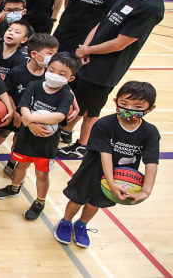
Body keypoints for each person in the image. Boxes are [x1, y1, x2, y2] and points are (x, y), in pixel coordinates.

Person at [60, 0, 169, 159]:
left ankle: (83, 146)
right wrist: (85, 47)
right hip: (88, 58)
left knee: (91, 110)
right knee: (79, 101)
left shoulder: (151, 7)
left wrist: (89, 50)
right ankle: (66, 132)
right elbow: (101, 23)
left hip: (105, 69)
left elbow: (121, 43)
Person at [55, 81, 159, 248]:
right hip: (92, 171)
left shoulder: (150, 132)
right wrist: (111, 183)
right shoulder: (104, 124)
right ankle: (66, 221)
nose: (129, 109)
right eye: (124, 104)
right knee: (77, 199)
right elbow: (106, 155)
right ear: (116, 101)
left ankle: (81, 224)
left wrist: (146, 190)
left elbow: (151, 162)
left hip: (121, 177)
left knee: (95, 203)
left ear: (150, 108)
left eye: (137, 106)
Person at [0, 52, 80, 220]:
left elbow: (60, 116)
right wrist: (31, 123)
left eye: (62, 74)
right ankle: (14, 187)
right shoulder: (34, 86)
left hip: (46, 143)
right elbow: (23, 106)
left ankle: (40, 201)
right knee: (20, 166)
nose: (55, 75)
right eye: (52, 70)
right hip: (26, 137)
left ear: (70, 79)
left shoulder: (66, 95)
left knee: (42, 174)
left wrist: (32, 119)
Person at [0, 33, 60, 182]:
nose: (54, 57)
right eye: (50, 54)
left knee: (19, 142)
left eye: (55, 53)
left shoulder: (48, 76)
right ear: (34, 54)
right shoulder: (17, 71)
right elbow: (7, 92)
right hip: (12, 114)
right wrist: (14, 112)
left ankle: (11, 164)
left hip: (31, 118)